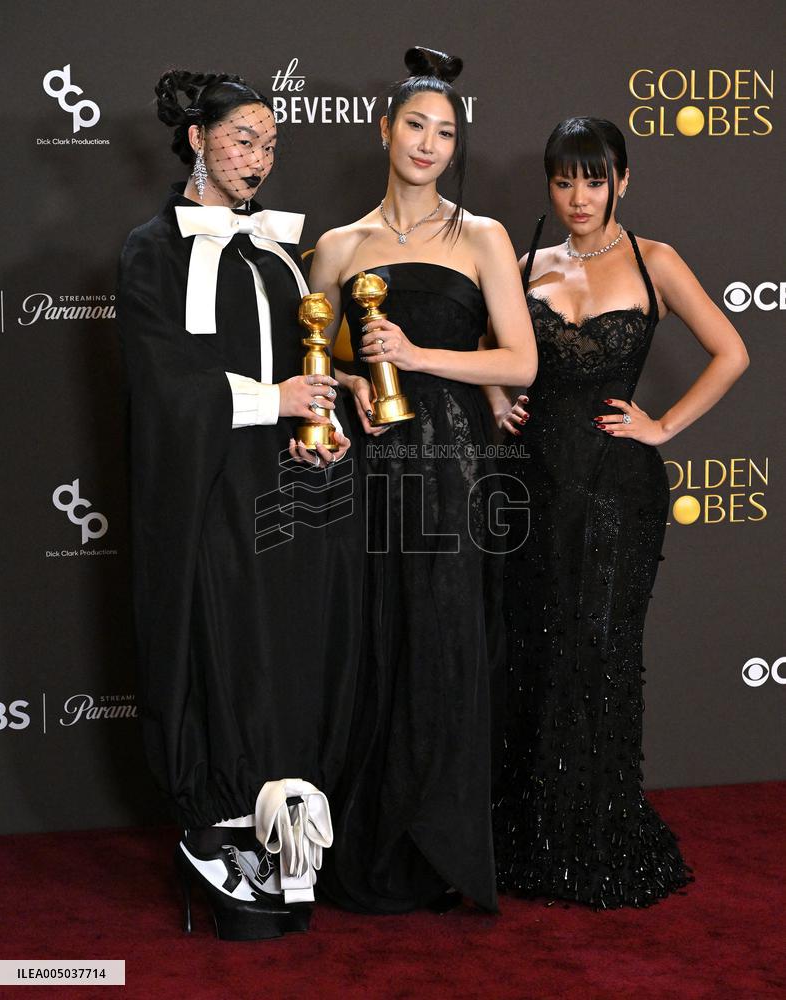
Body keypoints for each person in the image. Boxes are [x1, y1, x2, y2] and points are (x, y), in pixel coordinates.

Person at [116, 70, 362, 939]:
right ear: (196, 140)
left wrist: (320, 420)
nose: (258, 159)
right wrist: (273, 401)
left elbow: (305, 363)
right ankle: (213, 830)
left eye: (270, 144)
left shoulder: (276, 254)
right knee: (220, 642)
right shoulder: (152, 250)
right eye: (242, 140)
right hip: (206, 491)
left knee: (281, 644)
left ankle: (279, 823)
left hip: (286, 486)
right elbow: (162, 387)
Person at [487, 117, 749, 908]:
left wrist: (662, 425)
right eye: (564, 181)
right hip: (531, 486)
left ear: (622, 182)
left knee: (599, 653)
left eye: (594, 180)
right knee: (533, 650)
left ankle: (596, 832)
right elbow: (485, 352)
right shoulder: (523, 266)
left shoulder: (653, 261)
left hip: (615, 492)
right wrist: (497, 398)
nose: (578, 197)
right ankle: (532, 833)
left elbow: (731, 352)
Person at [308, 47, 538, 914]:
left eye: (445, 132)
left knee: (444, 635)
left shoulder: (481, 236)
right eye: (415, 125)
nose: (429, 144)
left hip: (451, 466)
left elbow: (519, 361)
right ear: (384, 130)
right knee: (370, 637)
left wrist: (416, 354)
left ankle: (438, 844)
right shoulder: (338, 245)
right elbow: (314, 354)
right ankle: (364, 839)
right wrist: (356, 381)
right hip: (368, 466)